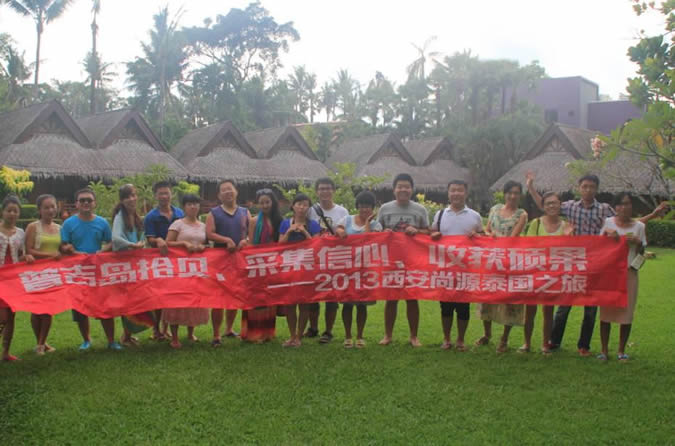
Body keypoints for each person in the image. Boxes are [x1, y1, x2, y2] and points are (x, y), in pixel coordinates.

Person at [527, 173, 613, 356]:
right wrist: (531, 187)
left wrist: (650, 216)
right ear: (579, 188)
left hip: (594, 263)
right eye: (585, 186)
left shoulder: (605, 209)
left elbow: (622, 221)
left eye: (591, 186)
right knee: (564, 305)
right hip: (572, 263)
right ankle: (554, 341)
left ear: (597, 189)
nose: (588, 190)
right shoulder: (570, 207)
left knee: (590, 307)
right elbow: (545, 204)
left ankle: (584, 346)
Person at [429, 180, 484, 352]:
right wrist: (434, 235)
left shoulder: (474, 216)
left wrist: (477, 236)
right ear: (448, 193)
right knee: (445, 306)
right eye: (453, 190)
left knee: (463, 307)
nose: (456, 194)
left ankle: (460, 340)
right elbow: (432, 233)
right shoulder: (440, 215)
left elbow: (483, 238)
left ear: (466, 193)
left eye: (460, 190)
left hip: (466, 270)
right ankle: (446, 339)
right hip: (445, 269)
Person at [475, 180, 528, 353]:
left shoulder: (522, 214)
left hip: (510, 261)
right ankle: (487, 333)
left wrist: (495, 238)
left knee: (509, 299)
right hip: (491, 260)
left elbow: (513, 238)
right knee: (487, 297)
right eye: (510, 192)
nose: (512, 196)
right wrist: (489, 235)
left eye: (516, 193)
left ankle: (504, 338)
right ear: (504, 194)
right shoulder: (494, 209)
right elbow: (487, 229)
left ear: (520, 195)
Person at [377, 173, 430, 347]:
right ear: (394, 190)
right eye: (400, 186)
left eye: (407, 187)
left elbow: (428, 232)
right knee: (391, 298)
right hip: (391, 260)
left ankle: (414, 336)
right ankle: (388, 335)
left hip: (413, 260)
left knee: (412, 298)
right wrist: (383, 233)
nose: (403, 190)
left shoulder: (420, 210)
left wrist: (417, 231)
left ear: (412, 189)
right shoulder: (384, 208)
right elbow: (376, 231)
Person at [61, 188, 117, 350]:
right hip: (77, 271)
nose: (86, 203)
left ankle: (111, 341)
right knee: (80, 307)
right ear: (77, 204)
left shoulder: (102, 223)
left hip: (98, 270)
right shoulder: (68, 223)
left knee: (106, 306)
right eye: (82, 200)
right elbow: (64, 245)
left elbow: (111, 242)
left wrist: (102, 251)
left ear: (94, 203)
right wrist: (73, 251)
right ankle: (86, 340)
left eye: (89, 200)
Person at [598, 192, 647, 361]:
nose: (624, 207)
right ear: (615, 207)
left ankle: (621, 351)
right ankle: (604, 351)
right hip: (610, 274)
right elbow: (599, 245)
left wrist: (638, 243)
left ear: (631, 206)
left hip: (629, 273)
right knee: (606, 312)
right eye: (620, 204)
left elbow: (642, 252)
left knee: (627, 312)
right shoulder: (608, 223)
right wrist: (609, 237)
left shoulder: (639, 226)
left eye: (627, 203)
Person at [524, 191, 574, 354]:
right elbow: (529, 246)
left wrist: (567, 237)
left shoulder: (566, 226)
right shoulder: (536, 223)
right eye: (548, 203)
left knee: (548, 310)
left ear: (560, 205)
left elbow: (569, 251)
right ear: (543, 206)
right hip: (535, 272)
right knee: (530, 310)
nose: (551, 206)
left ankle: (545, 344)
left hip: (553, 275)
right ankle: (527, 343)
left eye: (554, 203)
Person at [206, 179, 250, 346]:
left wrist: (246, 240)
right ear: (219, 195)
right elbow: (209, 233)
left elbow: (250, 232)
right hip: (220, 260)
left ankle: (229, 328)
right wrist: (226, 240)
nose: (228, 192)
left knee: (234, 294)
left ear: (236, 191)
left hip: (239, 259)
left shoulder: (245, 212)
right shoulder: (214, 213)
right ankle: (216, 334)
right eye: (224, 190)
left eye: (230, 189)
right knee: (218, 298)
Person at [335, 190, 382, 348]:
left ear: (372, 207)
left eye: (367, 206)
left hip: (365, 270)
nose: (364, 209)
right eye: (362, 206)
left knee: (362, 305)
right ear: (357, 206)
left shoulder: (376, 225)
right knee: (347, 304)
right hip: (347, 269)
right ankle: (348, 336)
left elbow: (369, 240)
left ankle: (360, 336)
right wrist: (340, 231)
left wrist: (367, 222)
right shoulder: (347, 219)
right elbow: (338, 229)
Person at [163, 194, 210, 349]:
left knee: (194, 300)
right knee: (176, 301)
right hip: (179, 269)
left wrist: (203, 247)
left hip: (197, 270)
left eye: (195, 204)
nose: (193, 207)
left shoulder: (203, 225)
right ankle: (175, 337)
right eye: (189, 204)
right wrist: (183, 243)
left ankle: (191, 333)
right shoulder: (178, 224)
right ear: (184, 207)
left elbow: (207, 244)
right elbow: (168, 243)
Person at [306, 177, 349, 343]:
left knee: (332, 297)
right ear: (317, 192)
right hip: (314, 258)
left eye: (328, 188)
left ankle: (328, 331)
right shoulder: (310, 211)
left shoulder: (342, 212)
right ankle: (313, 328)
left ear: (334, 191)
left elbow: (347, 234)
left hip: (334, 259)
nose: (325, 191)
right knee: (312, 295)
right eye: (322, 188)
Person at [112, 184, 153, 346]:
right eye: (127, 196)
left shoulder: (135, 216)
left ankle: (128, 334)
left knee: (135, 298)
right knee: (127, 300)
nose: (131, 199)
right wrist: (131, 245)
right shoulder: (120, 217)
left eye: (133, 195)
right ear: (122, 200)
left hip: (134, 263)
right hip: (123, 264)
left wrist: (141, 244)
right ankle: (126, 336)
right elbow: (116, 238)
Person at [279, 193, 321, 347]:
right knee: (289, 304)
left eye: (305, 205)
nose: (302, 207)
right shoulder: (285, 223)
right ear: (293, 206)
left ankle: (299, 337)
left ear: (308, 208)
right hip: (289, 268)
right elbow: (279, 244)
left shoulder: (313, 224)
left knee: (304, 304)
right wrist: (289, 232)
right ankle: (291, 335)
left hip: (306, 269)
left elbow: (317, 245)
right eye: (299, 204)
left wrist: (304, 232)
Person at [241, 188, 283, 343]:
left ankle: (267, 332)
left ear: (273, 202)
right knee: (256, 298)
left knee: (269, 297)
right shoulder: (253, 221)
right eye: (261, 203)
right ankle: (253, 333)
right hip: (257, 263)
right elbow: (251, 242)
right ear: (257, 204)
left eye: (267, 202)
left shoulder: (279, 220)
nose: (265, 205)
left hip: (273, 264)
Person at [144, 181, 184, 340]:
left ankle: (167, 328)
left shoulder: (180, 213)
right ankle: (156, 329)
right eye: (161, 193)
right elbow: (150, 238)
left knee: (173, 295)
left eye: (166, 193)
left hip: (177, 260)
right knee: (158, 296)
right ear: (156, 196)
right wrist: (158, 240)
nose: (164, 196)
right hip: (158, 261)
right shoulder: (151, 217)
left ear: (171, 194)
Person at [25, 194, 62, 355]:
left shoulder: (60, 228)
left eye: (53, 206)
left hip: (53, 274)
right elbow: (29, 250)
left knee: (48, 310)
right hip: (36, 274)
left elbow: (62, 249)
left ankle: (41, 343)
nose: (50, 210)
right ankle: (41, 343)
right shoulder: (33, 227)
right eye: (46, 207)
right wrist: (50, 256)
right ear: (39, 210)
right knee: (36, 310)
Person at [0, 195, 35, 361]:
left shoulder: (20, 233)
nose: (12, 214)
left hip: (13, 279)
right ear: (3, 212)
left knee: (11, 317)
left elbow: (20, 255)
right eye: (9, 210)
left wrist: (26, 257)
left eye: (15, 211)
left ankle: (6, 352)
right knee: (2, 317)